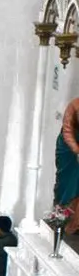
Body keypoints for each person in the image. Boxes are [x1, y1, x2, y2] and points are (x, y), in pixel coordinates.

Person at [55, 98, 79, 233]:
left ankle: (75, 224)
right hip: (68, 150)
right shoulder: (74, 106)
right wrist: (76, 150)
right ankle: (62, 219)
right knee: (67, 184)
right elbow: (67, 131)